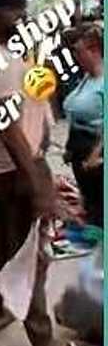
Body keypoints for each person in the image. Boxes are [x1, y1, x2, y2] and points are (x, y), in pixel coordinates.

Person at [0, 0, 82, 346]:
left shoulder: (6, 56)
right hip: (18, 170)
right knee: (34, 256)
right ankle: (42, 341)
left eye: (23, 7)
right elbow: (8, 126)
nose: (21, 14)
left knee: (0, 246)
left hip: (0, 169)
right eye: (11, 9)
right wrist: (38, 185)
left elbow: (35, 106)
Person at [62, 24, 104, 228]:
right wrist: (70, 149)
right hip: (81, 156)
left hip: (97, 157)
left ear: (94, 49)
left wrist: (97, 153)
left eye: (78, 51)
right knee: (92, 212)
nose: (75, 57)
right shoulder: (86, 80)